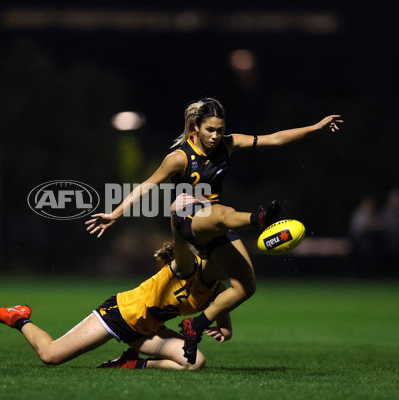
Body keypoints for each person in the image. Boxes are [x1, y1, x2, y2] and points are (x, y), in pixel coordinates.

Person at [86, 97, 343, 363]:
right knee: (222, 213)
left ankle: (195, 326)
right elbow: (146, 185)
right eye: (210, 130)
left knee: (246, 286)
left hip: (219, 223)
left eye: (220, 130)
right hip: (188, 219)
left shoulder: (227, 144)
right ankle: (260, 218)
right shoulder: (179, 157)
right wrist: (115, 214)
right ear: (196, 127)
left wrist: (315, 128)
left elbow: (275, 139)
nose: (216, 135)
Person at [0, 196, 232, 370]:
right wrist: (176, 215)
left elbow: (224, 314)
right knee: (50, 356)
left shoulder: (218, 289)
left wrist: (225, 330)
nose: (233, 264)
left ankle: (132, 363)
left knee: (195, 363)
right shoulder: (188, 266)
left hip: (148, 331)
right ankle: (17, 316)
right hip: (120, 315)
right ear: (210, 255)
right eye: (228, 257)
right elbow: (180, 239)